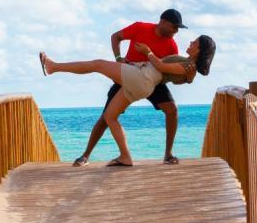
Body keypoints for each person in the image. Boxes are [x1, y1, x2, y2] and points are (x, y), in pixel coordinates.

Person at [40, 34, 216, 167]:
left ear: (199, 50)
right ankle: (125, 156)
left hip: (143, 77)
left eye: (195, 42)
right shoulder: (188, 66)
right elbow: (176, 74)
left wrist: (147, 52)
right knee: (110, 116)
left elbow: (161, 66)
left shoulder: (187, 66)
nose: (191, 42)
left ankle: (53, 67)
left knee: (98, 64)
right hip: (143, 83)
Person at [76, 10, 184, 168]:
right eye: (175, 27)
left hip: (152, 82)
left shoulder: (171, 46)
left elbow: (170, 73)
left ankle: (168, 155)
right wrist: (119, 59)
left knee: (172, 110)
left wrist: (185, 78)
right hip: (127, 77)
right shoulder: (140, 28)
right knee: (106, 118)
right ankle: (85, 156)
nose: (176, 31)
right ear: (163, 22)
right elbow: (116, 37)